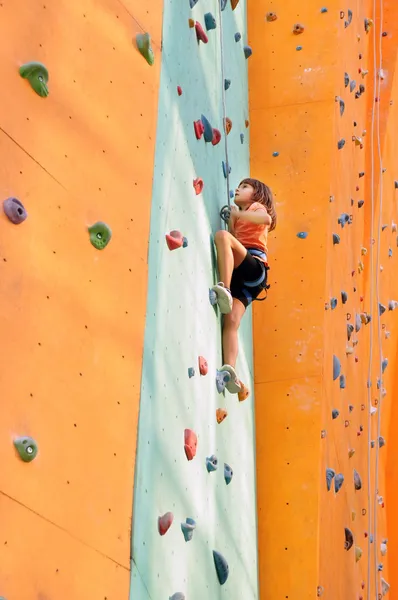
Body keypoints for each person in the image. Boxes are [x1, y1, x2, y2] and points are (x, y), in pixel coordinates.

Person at [211, 178, 277, 394]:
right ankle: (231, 371)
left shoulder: (257, 207)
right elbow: (236, 236)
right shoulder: (241, 214)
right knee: (230, 320)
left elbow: (266, 219)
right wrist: (232, 218)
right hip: (248, 279)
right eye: (238, 186)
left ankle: (225, 289)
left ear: (258, 194)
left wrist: (238, 214)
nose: (238, 189)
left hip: (254, 266)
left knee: (222, 237)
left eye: (245, 187)